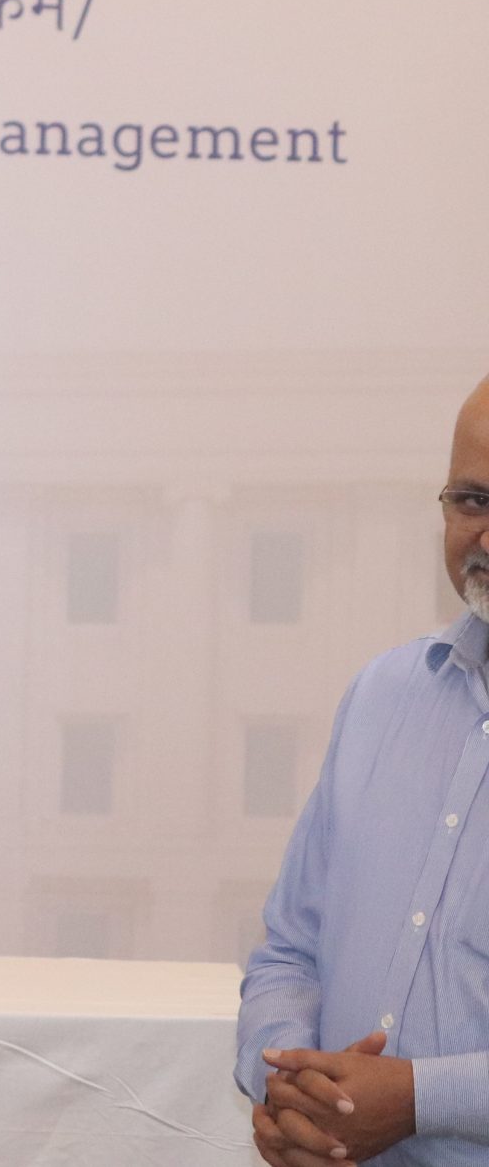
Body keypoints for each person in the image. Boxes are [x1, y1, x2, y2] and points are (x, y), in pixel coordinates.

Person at [240, 372, 489, 1167]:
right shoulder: (384, 694)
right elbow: (289, 951)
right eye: (472, 499)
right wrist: (287, 1082)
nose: (486, 536)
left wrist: (418, 1099)